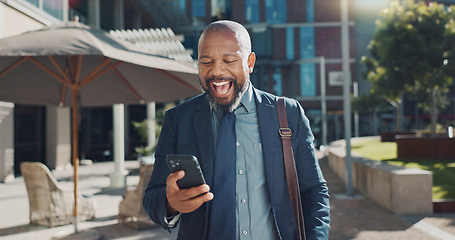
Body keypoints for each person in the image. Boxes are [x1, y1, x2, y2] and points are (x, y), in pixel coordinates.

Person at [143, 20, 330, 239]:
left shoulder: (287, 114)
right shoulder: (178, 120)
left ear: (250, 62)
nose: (217, 71)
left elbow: (313, 191)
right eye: (206, 62)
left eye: (229, 60)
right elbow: (152, 199)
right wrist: (169, 203)